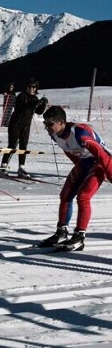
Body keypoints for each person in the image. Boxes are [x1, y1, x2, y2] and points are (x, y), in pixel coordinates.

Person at [37, 105, 112, 251]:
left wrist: (110, 173)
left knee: (83, 197)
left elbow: (101, 153)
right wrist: (78, 166)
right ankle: (62, 232)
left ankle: (79, 237)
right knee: (65, 195)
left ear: (61, 122)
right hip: (85, 162)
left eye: (50, 124)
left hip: (101, 161)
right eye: (45, 124)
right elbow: (68, 150)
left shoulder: (79, 133)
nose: (47, 128)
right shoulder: (54, 135)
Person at [0, 78, 48, 178]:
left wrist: (43, 104)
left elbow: (38, 111)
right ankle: (3, 167)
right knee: (12, 145)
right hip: (15, 125)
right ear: (26, 87)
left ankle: (21, 168)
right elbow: (23, 108)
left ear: (36, 88)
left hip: (26, 126)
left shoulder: (34, 98)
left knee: (23, 147)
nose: (31, 89)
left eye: (33, 87)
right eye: (30, 86)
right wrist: (36, 103)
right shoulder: (21, 96)